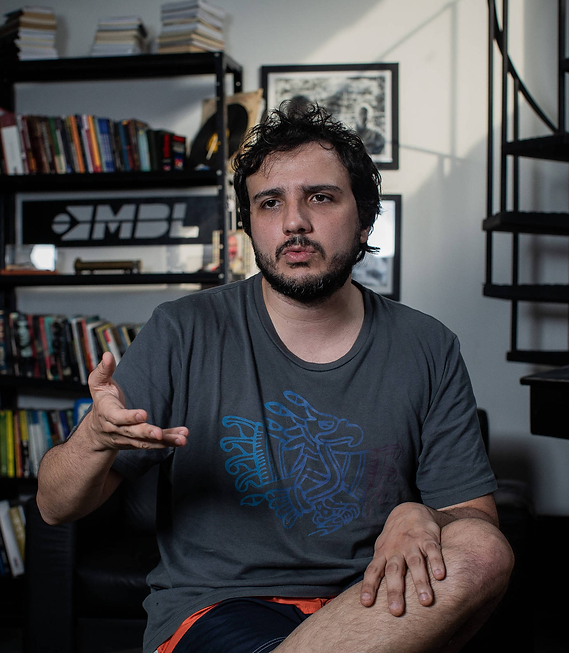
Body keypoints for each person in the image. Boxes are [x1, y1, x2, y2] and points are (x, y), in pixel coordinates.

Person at [36, 103, 513, 653]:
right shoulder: (183, 330)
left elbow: (476, 519)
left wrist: (419, 514)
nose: (294, 222)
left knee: (484, 550)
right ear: (250, 224)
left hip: (373, 605)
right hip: (218, 609)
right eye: (269, 202)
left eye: (321, 197)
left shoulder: (427, 345)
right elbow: (54, 506)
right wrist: (94, 439)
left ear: (364, 218)